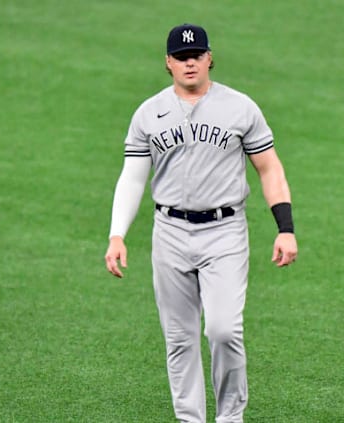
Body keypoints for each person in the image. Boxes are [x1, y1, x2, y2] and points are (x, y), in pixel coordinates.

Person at [104, 23, 298, 423]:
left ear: (210, 57)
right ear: (168, 63)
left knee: (224, 330)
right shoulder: (148, 113)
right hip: (170, 232)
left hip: (224, 231)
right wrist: (117, 234)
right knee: (179, 339)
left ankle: (230, 418)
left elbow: (269, 167)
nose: (189, 63)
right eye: (180, 57)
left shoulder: (241, 107)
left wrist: (285, 226)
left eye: (196, 55)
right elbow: (133, 177)